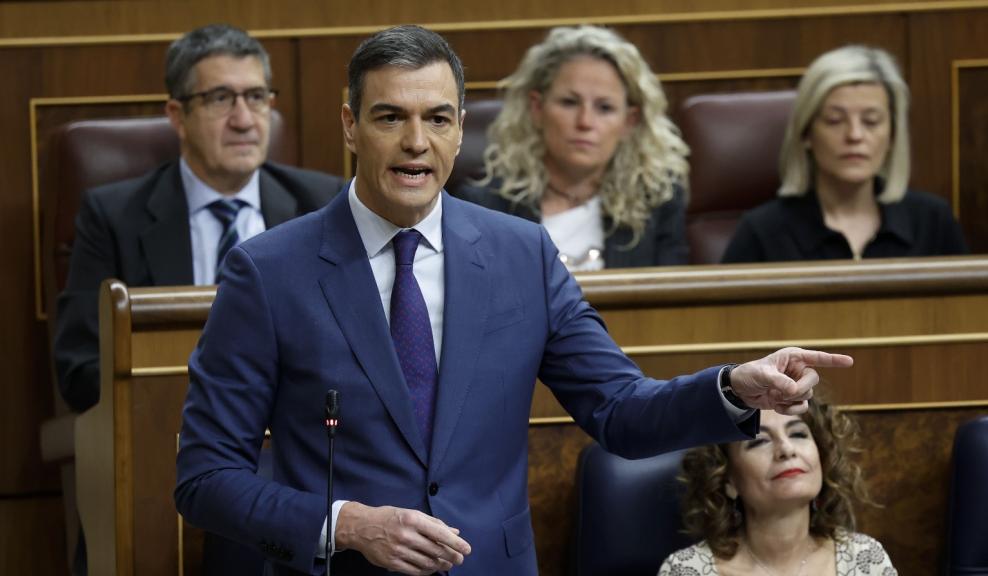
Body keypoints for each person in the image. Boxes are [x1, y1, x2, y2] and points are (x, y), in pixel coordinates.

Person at [174, 25, 853, 576]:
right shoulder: (267, 271)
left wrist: (733, 388)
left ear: (461, 127)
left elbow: (618, 409)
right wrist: (347, 524)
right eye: (391, 117)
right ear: (351, 125)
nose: (416, 142)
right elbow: (205, 477)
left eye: (437, 118)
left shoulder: (519, 254)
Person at [53, 24, 341, 413]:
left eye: (256, 97)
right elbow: (80, 367)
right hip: (168, 430)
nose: (244, 120)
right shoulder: (114, 218)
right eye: (221, 99)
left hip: (297, 431)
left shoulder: (323, 205)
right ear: (177, 115)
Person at [458, 25, 689, 271]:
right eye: (569, 102)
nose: (585, 122)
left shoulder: (656, 202)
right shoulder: (482, 206)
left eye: (605, 108)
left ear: (629, 122)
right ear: (537, 108)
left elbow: (674, 302)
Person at [721, 45, 968, 263]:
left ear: (892, 135)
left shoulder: (932, 221)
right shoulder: (763, 231)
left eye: (871, 121)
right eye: (835, 120)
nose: (855, 135)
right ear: (806, 133)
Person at [658, 400, 897, 575]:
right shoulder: (686, 570)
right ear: (727, 479)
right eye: (760, 441)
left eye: (798, 434)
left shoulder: (864, 558)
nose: (786, 449)